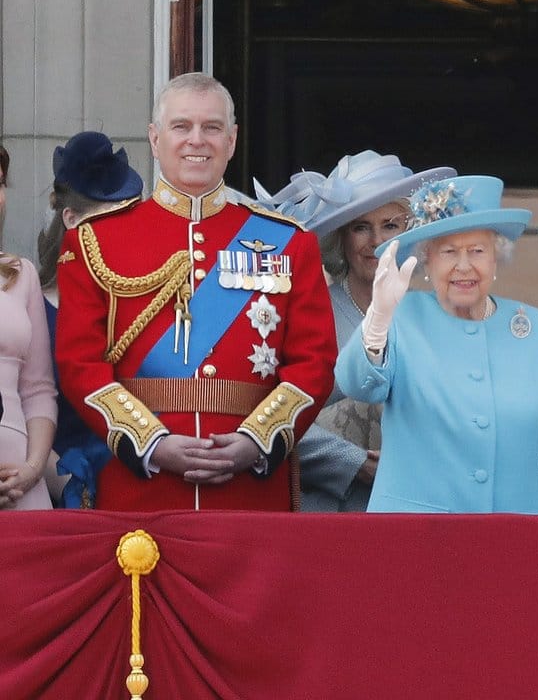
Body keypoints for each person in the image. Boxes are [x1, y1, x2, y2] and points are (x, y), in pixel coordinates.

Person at [55, 72, 337, 510]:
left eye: (212, 128)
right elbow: (79, 364)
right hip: (142, 489)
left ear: (232, 140)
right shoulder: (95, 240)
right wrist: (151, 442)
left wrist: (255, 442)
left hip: (251, 492)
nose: (196, 140)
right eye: (181, 126)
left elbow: (314, 362)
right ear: (154, 137)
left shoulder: (290, 243)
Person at [335, 174, 538, 514]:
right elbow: (356, 383)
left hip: (518, 544)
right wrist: (377, 318)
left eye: (477, 251)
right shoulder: (400, 317)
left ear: (496, 259)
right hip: (415, 542)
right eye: (449, 252)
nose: (464, 266)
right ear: (428, 259)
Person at [259, 151, 454, 511]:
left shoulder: (435, 320)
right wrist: (352, 461)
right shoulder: (308, 312)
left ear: (411, 233)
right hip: (327, 513)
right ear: (341, 238)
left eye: (390, 225)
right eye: (360, 227)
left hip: (417, 509)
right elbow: (267, 414)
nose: (375, 240)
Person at [36, 131, 144, 508]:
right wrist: (64, 480)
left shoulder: (154, 299)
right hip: (61, 485)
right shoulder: (33, 305)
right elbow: (27, 404)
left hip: (146, 475)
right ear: (71, 219)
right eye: (109, 217)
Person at [0, 144, 58, 510]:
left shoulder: (20, 275)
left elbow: (38, 390)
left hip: (21, 490)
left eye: (1, 183)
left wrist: (34, 468)